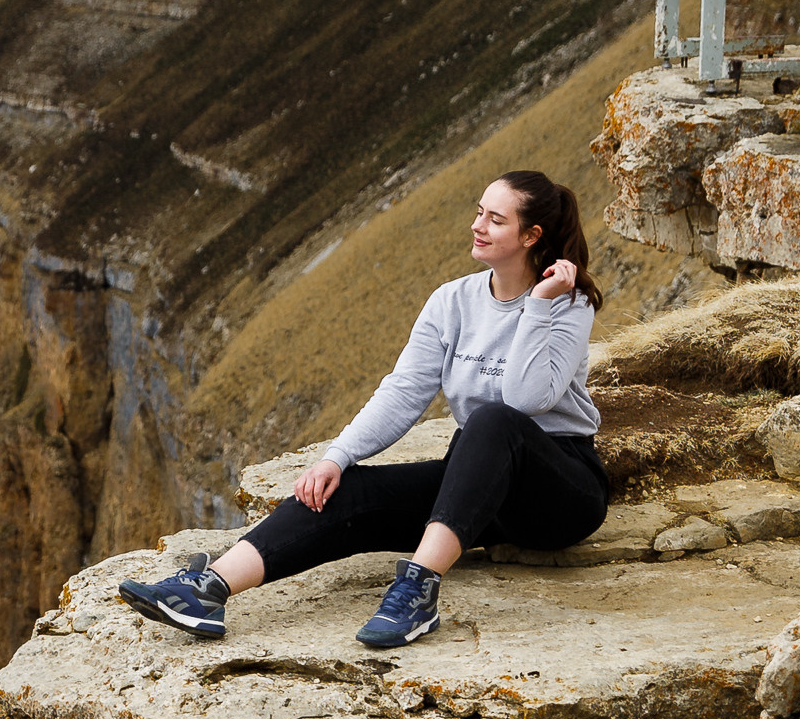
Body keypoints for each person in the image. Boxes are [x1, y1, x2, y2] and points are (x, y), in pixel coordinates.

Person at [120, 171, 607, 653]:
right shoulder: (452, 300)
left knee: (494, 419)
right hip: (478, 489)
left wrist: (539, 305)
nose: (477, 225)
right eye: (479, 212)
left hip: (558, 491)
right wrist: (337, 457)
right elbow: (404, 391)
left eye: (495, 220)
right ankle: (208, 590)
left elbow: (525, 401)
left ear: (531, 235)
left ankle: (418, 592)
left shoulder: (569, 303)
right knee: (346, 493)